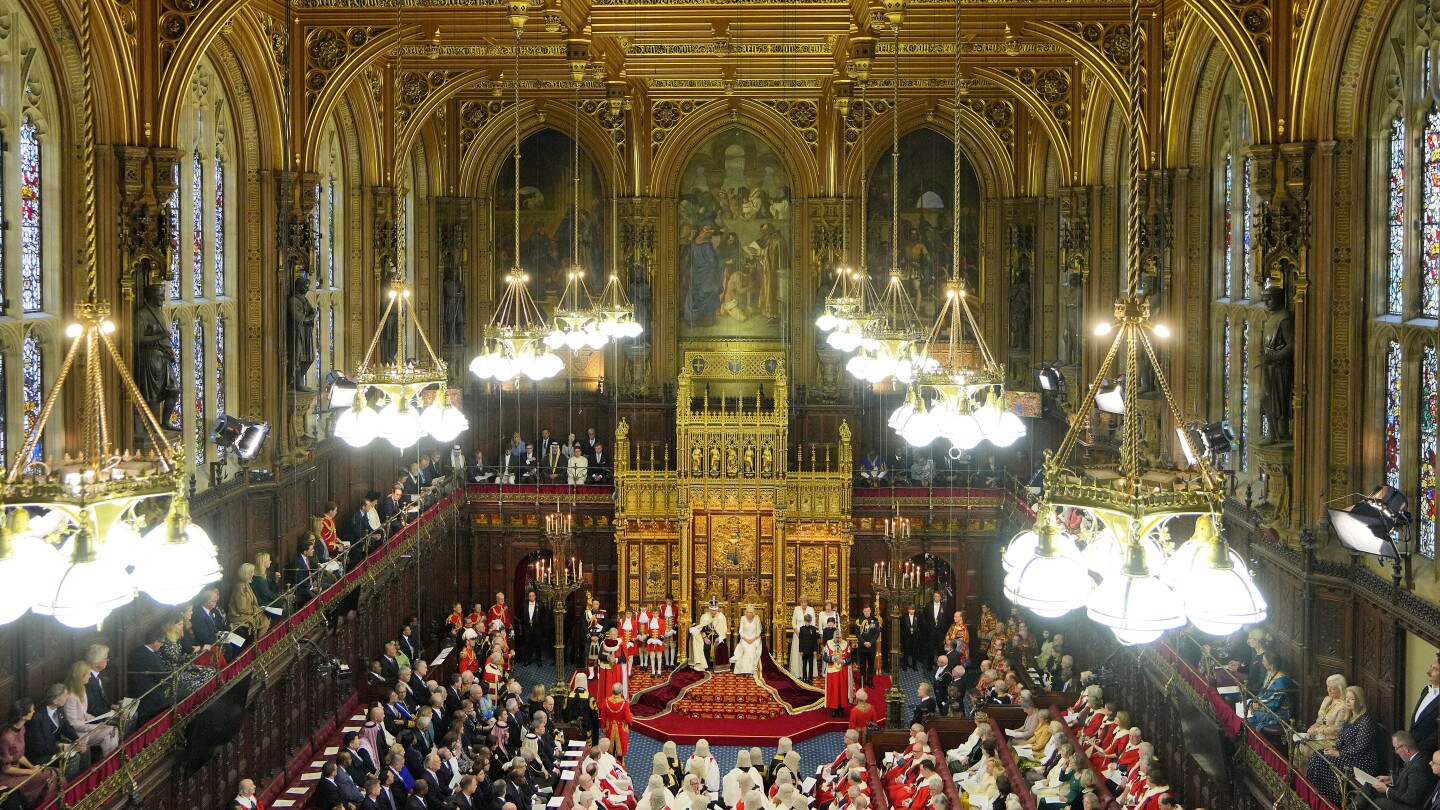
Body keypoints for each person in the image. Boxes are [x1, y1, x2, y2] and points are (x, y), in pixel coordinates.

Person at [1307, 685, 1385, 802]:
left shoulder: (1366, 721)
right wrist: (1333, 748)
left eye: (1352, 699)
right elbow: (1341, 738)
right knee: (1317, 754)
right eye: (1346, 698)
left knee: (1321, 760)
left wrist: (1339, 754)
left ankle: (1332, 799)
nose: (1347, 701)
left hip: (1363, 761)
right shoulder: (1350, 716)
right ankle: (1311, 793)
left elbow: (1359, 749)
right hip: (1348, 755)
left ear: (1360, 701)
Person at [0, 699, 60, 807]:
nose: (33, 712)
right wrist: (31, 772)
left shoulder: (22, 729)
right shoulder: (7, 737)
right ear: (23, 716)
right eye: (31, 711)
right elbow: (6, 769)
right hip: (7, 777)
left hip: (19, 770)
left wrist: (33, 767)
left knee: (51, 773)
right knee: (51, 775)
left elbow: (19, 755)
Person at [1367, 731, 1436, 810]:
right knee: (1369, 786)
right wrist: (1391, 779)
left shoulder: (1418, 768)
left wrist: (1387, 790)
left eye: (1396, 748)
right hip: (1403, 794)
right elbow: (1410, 781)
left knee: (1379, 802)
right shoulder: (1416, 757)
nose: (1396, 752)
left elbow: (1410, 799)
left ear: (1406, 749)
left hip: (1411, 806)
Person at [62, 661, 119, 756]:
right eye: (88, 674)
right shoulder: (70, 696)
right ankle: (110, 762)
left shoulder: (82, 690)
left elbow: (85, 714)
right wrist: (96, 727)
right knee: (111, 731)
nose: (90, 676)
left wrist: (96, 721)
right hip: (78, 734)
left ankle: (111, 762)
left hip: (86, 729)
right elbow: (73, 724)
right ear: (81, 676)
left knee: (113, 729)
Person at [1244, 652, 1293, 733]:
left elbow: (1275, 703)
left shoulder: (1281, 681)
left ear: (1272, 665)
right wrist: (1256, 701)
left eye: (1264, 661)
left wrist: (1259, 707)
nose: (1262, 663)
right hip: (1266, 706)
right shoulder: (1269, 673)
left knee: (1253, 718)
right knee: (1248, 707)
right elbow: (1263, 691)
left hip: (1280, 711)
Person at [689, 599, 729, 672]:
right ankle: (706, 665)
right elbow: (701, 630)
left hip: (718, 636)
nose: (714, 612)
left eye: (715, 610)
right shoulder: (704, 616)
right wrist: (704, 638)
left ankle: (719, 667)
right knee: (706, 647)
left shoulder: (721, 617)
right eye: (712, 610)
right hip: (707, 636)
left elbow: (724, 629)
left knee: (720, 646)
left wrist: (720, 638)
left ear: (717, 609)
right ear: (709, 609)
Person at [1411, 657, 1440, 757]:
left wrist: (1419, 748)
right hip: (1413, 748)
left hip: (1428, 753)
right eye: (1430, 667)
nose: (1428, 671)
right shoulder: (1426, 690)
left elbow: (1438, 733)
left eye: (1435, 669)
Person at [823, 628, 853, 717]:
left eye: (840, 637)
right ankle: (833, 709)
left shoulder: (846, 645)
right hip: (832, 672)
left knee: (842, 689)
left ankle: (841, 709)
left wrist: (843, 661)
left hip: (843, 671)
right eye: (837, 637)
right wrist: (832, 658)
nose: (838, 639)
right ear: (833, 637)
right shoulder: (828, 645)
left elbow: (851, 659)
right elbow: (825, 658)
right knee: (833, 689)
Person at [788, 596, 816, 678]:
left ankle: (808, 673)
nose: (803, 604)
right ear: (800, 603)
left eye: (805, 602)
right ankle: (798, 672)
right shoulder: (796, 609)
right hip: (798, 635)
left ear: (807, 602)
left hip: (808, 636)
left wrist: (807, 634)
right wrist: (799, 634)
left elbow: (813, 623)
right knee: (799, 652)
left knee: (808, 653)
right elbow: (793, 623)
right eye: (802, 602)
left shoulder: (811, 610)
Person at [854, 606, 881, 689]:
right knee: (862, 665)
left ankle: (870, 681)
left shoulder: (875, 621)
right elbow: (857, 633)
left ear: (870, 611)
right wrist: (864, 642)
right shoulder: (859, 620)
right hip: (862, 647)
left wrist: (870, 642)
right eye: (865, 611)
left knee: (871, 665)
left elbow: (877, 633)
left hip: (871, 647)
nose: (866, 612)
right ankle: (862, 681)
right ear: (863, 611)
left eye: (868, 611)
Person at [733, 605, 764, 676]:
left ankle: (751, 670)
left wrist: (752, 640)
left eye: (750, 612)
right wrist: (746, 639)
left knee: (752, 650)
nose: (748, 614)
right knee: (746, 650)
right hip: (745, 639)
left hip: (755, 639)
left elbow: (758, 632)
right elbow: (741, 631)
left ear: (753, 613)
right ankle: (743, 670)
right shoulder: (743, 618)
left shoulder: (757, 618)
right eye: (747, 612)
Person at [797, 614, 819, 682]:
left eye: (809, 621)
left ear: (811, 621)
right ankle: (804, 677)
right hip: (804, 649)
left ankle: (810, 678)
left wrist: (815, 650)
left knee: (811, 664)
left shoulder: (813, 629)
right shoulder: (802, 629)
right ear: (804, 621)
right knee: (804, 665)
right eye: (806, 621)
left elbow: (815, 640)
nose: (807, 623)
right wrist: (800, 650)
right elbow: (800, 640)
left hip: (811, 650)